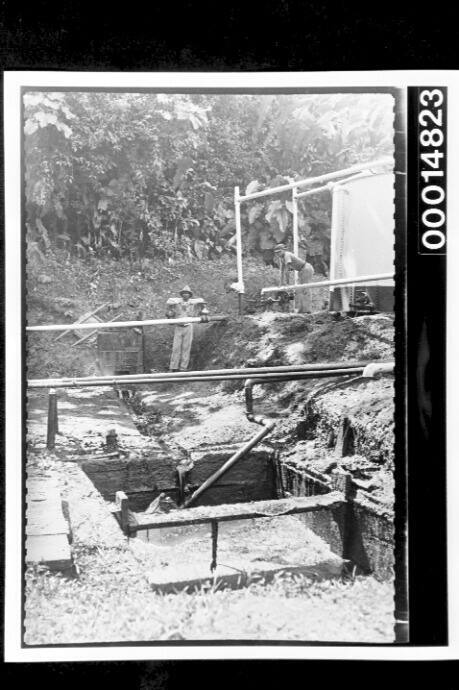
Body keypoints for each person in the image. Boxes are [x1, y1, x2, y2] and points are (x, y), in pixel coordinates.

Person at [166, 286, 205, 371]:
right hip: (178, 327)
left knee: (186, 348)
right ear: (181, 295)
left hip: (188, 327)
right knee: (176, 348)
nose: (185, 295)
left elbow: (201, 300)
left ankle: (183, 368)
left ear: (190, 295)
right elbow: (169, 301)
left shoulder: (192, 302)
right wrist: (179, 302)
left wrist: (190, 302)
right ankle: (173, 367)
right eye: (184, 293)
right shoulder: (177, 302)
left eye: (187, 293)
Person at [273, 243, 315, 313]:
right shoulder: (281, 258)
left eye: (279, 252)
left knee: (305, 289)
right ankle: (302, 309)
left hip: (306, 268)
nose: (278, 254)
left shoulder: (287, 255)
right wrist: (281, 283)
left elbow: (287, 270)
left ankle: (307, 310)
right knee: (300, 290)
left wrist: (287, 283)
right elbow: (282, 272)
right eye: (276, 253)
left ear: (283, 250)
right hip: (301, 270)